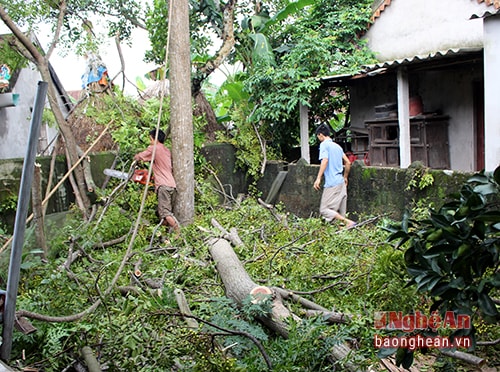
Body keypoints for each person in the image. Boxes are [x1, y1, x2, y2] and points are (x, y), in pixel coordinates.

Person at [134, 129, 179, 234]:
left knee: (165, 213)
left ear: (155, 139)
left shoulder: (154, 148)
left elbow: (140, 156)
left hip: (163, 185)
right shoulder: (166, 150)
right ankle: (162, 235)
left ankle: (179, 232)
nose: (150, 142)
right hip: (171, 184)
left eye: (150, 139)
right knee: (162, 214)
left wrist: (135, 158)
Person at [313, 124, 356, 229]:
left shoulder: (324, 145)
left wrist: (318, 178)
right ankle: (343, 233)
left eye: (318, 137)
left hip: (332, 183)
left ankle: (349, 222)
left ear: (321, 135)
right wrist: (345, 177)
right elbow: (348, 162)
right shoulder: (337, 147)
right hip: (341, 182)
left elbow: (325, 160)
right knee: (339, 214)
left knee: (324, 210)